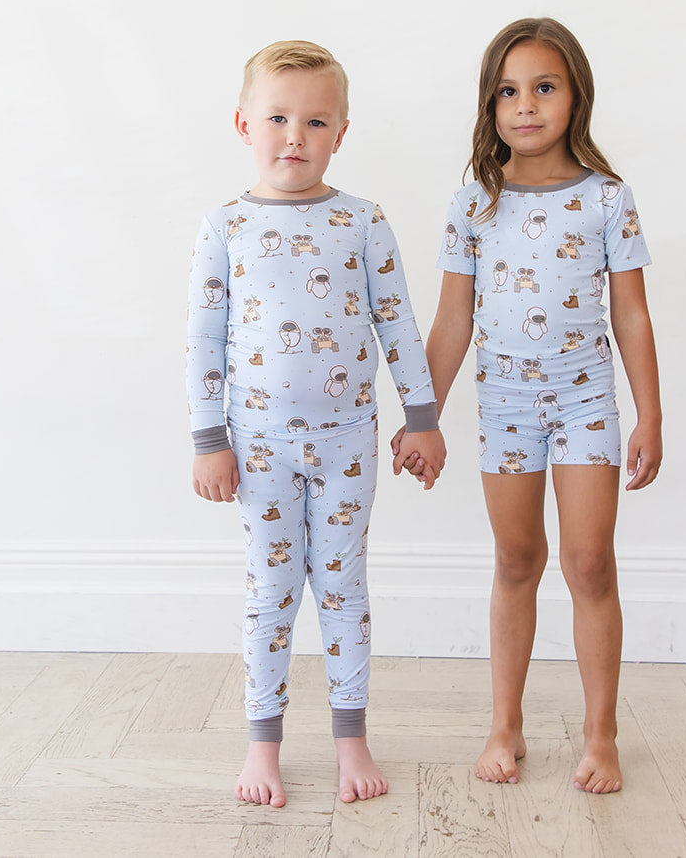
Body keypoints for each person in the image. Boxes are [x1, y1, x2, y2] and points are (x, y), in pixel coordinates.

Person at [396, 18, 662, 794]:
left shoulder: (607, 198)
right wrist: (422, 415)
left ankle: (601, 732)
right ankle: (504, 724)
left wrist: (649, 413)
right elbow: (452, 322)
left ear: (575, 95)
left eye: (544, 87)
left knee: (589, 561)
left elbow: (631, 315)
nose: (526, 105)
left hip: (586, 402)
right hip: (507, 403)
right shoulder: (473, 204)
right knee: (516, 559)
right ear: (491, 104)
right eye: (508, 91)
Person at [186, 40, 447, 808]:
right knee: (271, 589)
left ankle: (350, 739)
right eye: (277, 118)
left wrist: (422, 418)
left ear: (341, 132)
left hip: (347, 442)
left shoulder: (362, 221)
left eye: (315, 121)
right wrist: (208, 438)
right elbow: (204, 339)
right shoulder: (224, 226)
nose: (294, 136)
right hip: (257, 445)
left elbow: (397, 321)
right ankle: (261, 744)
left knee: (342, 585)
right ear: (244, 124)